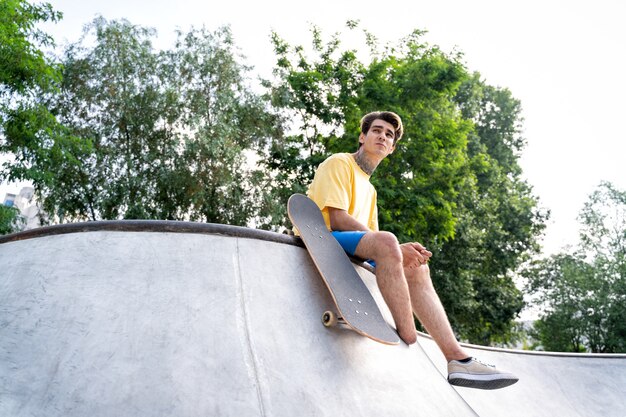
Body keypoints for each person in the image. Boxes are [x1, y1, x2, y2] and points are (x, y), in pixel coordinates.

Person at [306, 110, 518, 390]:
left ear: (391, 149)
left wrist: (399, 257)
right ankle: (410, 336)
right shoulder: (340, 163)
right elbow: (339, 219)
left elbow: (372, 243)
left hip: (351, 250)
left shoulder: (370, 190)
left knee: (417, 266)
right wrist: (392, 248)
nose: (383, 136)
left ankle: (457, 360)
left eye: (389, 135)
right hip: (324, 238)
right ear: (362, 136)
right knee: (389, 241)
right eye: (377, 130)